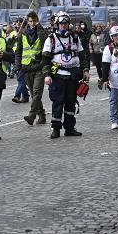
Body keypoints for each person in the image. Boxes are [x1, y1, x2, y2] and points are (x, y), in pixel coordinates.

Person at [41, 11, 89, 139]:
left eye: (66, 23)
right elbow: (45, 59)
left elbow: (82, 56)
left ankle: (69, 128)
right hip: (58, 76)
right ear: (57, 25)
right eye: (61, 24)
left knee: (70, 103)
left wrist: (85, 70)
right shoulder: (51, 39)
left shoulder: (74, 38)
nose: (64, 26)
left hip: (73, 75)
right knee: (58, 102)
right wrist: (47, 75)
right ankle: (55, 129)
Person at [17, 11, 48, 126]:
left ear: (37, 21)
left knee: (37, 92)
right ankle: (42, 115)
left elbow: (46, 48)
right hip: (26, 67)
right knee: (33, 93)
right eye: (30, 21)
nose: (32, 23)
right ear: (27, 22)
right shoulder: (22, 34)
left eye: (34, 21)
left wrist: (40, 29)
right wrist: (18, 66)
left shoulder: (42, 32)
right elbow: (19, 51)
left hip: (39, 67)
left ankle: (32, 115)